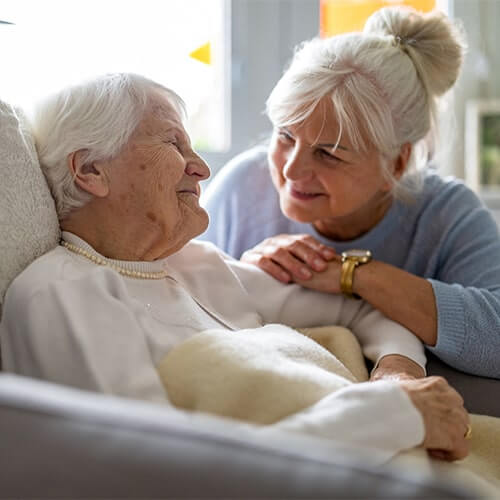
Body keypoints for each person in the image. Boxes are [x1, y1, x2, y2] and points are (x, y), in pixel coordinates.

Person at [0, 73, 469, 462]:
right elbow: (160, 473)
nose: (201, 168)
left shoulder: (195, 264)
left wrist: (397, 373)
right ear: (91, 171)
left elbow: (365, 312)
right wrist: (393, 415)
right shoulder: (63, 292)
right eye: (173, 143)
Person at [201, 6, 500, 379]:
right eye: (285, 136)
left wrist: (353, 275)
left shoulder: (447, 214)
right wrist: (241, 276)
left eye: (328, 153)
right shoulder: (242, 187)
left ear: (396, 162)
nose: (291, 169)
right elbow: (173, 298)